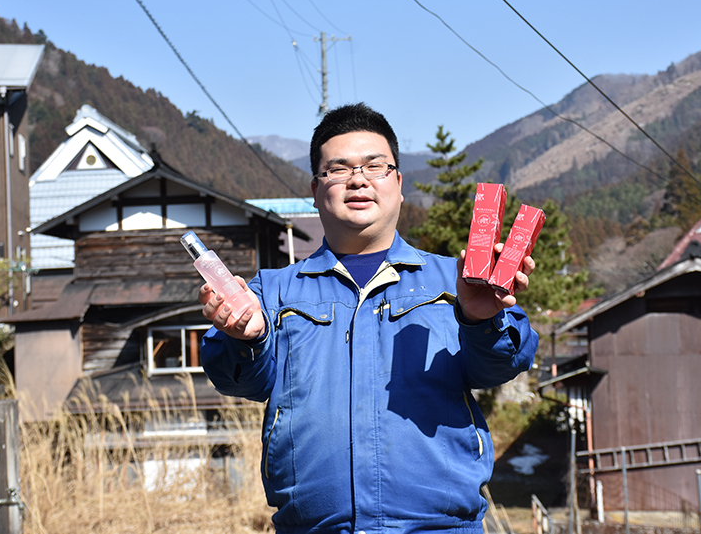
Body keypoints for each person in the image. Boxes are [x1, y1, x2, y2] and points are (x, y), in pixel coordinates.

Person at [199, 103, 538, 533]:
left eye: (375, 166)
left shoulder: (457, 280)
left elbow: (503, 366)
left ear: (398, 183)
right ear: (316, 189)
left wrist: (478, 318)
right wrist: (245, 340)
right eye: (337, 169)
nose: (357, 179)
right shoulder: (273, 291)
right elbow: (238, 380)